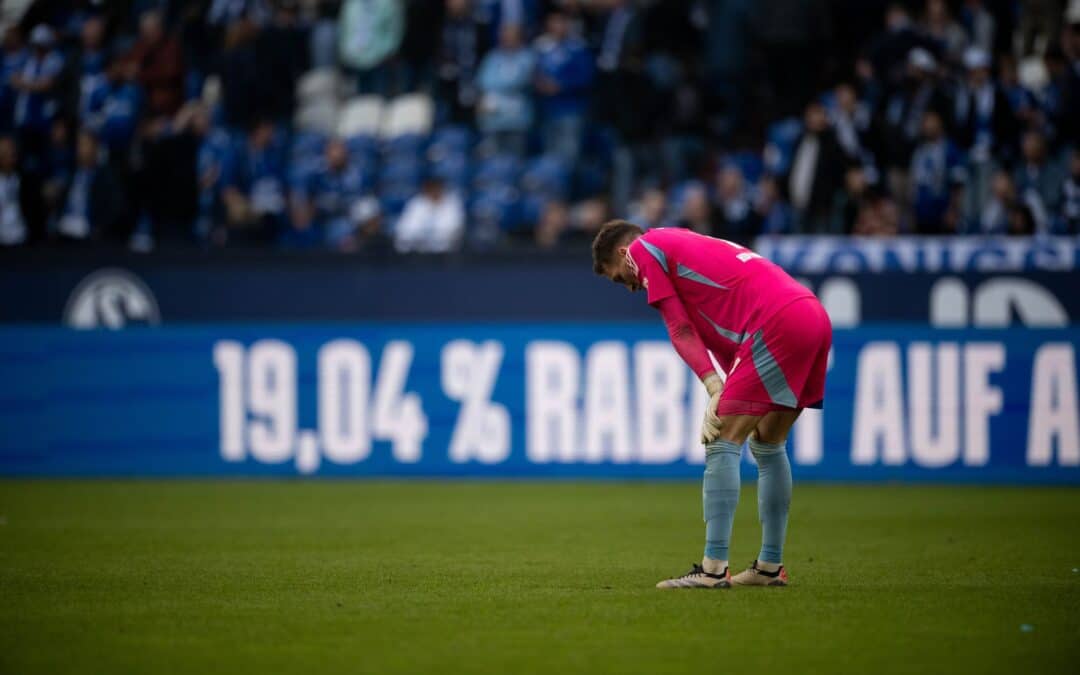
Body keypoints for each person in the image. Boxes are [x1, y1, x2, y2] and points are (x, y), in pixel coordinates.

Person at [591, 221, 832, 589]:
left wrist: (713, 385)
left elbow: (679, 329)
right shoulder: (682, 243)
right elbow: (720, 334)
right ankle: (769, 566)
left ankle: (713, 568)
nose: (629, 285)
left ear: (625, 254)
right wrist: (721, 383)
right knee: (768, 442)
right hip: (810, 314)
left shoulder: (644, 249)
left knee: (722, 438)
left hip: (776, 320)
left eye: (619, 277)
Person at [393, 174, 465, 253]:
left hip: (445, 252)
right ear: (426, 190)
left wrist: (434, 239)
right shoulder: (416, 203)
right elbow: (406, 228)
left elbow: (454, 228)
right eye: (431, 189)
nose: (435, 192)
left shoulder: (452, 203)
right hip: (417, 251)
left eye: (437, 189)